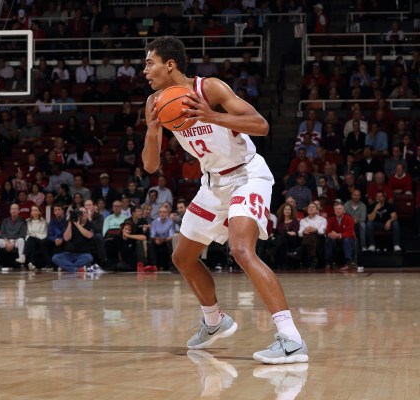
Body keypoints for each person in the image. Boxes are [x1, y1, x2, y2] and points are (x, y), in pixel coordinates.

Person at [142, 36, 308, 363]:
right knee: (183, 257)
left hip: (246, 174)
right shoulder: (155, 102)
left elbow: (260, 125)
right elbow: (150, 165)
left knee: (241, 249)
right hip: (213, 183)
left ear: (170, 64)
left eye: (150, 63)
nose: (145, 70)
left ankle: (291, 339)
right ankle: (215, 321)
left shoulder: (211, 90)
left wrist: (211, 116)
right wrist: (151, 131)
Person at [0, 204, 27, 271]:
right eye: (12, 209)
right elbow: (3, 233)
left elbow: (22, 234)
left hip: (16, 240)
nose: (14, 210)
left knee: (21, 240)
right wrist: (7, 242)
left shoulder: (22, 221)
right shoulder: (5, 221)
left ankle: (22, 264)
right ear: (10, 211)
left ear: (19, 211)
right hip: (6, 240)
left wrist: (13, 243)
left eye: (15, 209)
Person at [324, 200, 356, 271]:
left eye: (339, 209)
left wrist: (338, 235)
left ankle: (348, 263)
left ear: (344, 211)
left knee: (346, 239)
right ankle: (328, 263)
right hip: (336, 240)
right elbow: (328, 231)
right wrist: (331, 235)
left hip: (348, 240)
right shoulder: (331, 219)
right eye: (336, 209)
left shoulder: (349, 218)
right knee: (328, 240)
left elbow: (349, 232)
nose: (337, 210)